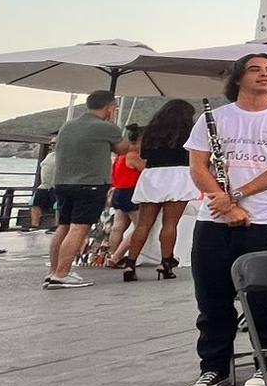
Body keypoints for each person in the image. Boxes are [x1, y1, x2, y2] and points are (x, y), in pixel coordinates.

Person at [183, 53, 267, 386]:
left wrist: (235, 195)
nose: (264, 75)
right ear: (238, 77)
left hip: (266, 217)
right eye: (255, 69)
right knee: (211, 295)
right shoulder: (214, 119)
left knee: (265, 295)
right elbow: (198, 167)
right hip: (214, 218)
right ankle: (214, 367)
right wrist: (223, 204)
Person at [45, 91, 128, 288]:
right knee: (78, 228)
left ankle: (54, 271)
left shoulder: (68, 125)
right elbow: (123, 149)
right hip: (90, 183)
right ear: (109, 108)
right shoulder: (105, 127)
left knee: (63, 227)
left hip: (63, 182)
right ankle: (62, 274)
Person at [116, 100, 198, 280]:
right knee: (170, 224)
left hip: (152, 175)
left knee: (143, 224)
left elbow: (144, 155)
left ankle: (130, 263)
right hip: (178, 175)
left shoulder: (151, 132)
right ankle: (165, 263)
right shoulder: (189, 133)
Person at [103, 125, 144, 265]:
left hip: (118, 191)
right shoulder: (134, 156)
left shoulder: (120, 156)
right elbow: (146, 171)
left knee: (118, 226)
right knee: (139, 227)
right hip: (130, 192)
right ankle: (117, 256)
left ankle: (112, 254)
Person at [30, 143, 58, 232]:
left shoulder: (65, 156)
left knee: (59, 206)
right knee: (35, 203)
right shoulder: (49, 156)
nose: (52, 145)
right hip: (44, 185)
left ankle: (57, 225)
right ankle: (34, 225)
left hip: (57, 186)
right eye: (52, 144)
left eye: (54, 144)